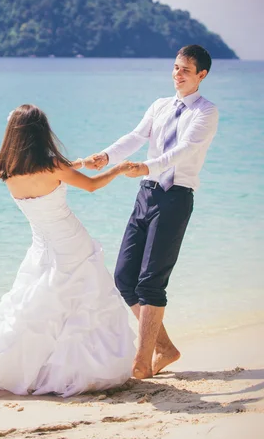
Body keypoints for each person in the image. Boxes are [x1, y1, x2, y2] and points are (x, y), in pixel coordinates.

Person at [0, 104, 136, 399]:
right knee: (83, 306)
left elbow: (53, 172)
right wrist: (119, 168)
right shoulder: (52, 165)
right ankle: (78, 372)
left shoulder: (7, 170)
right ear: (40, 132)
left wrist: (79, 163)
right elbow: (92, 186)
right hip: (70, 242)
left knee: (34, 309)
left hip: (41, 246)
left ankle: (26, 369)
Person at [83, 45, 219, 380]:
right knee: (124, 278)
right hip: (146, 195)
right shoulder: (160, 105)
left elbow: (184, 150)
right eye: (175, 67)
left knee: (151, 283)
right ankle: (165, 348)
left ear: (202, 75)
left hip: (175, 198)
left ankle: (141, 365)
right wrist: (106, 156)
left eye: (186, 69)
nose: (178, 74)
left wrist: (146, 165)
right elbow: (135, 136)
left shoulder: (206, 111)